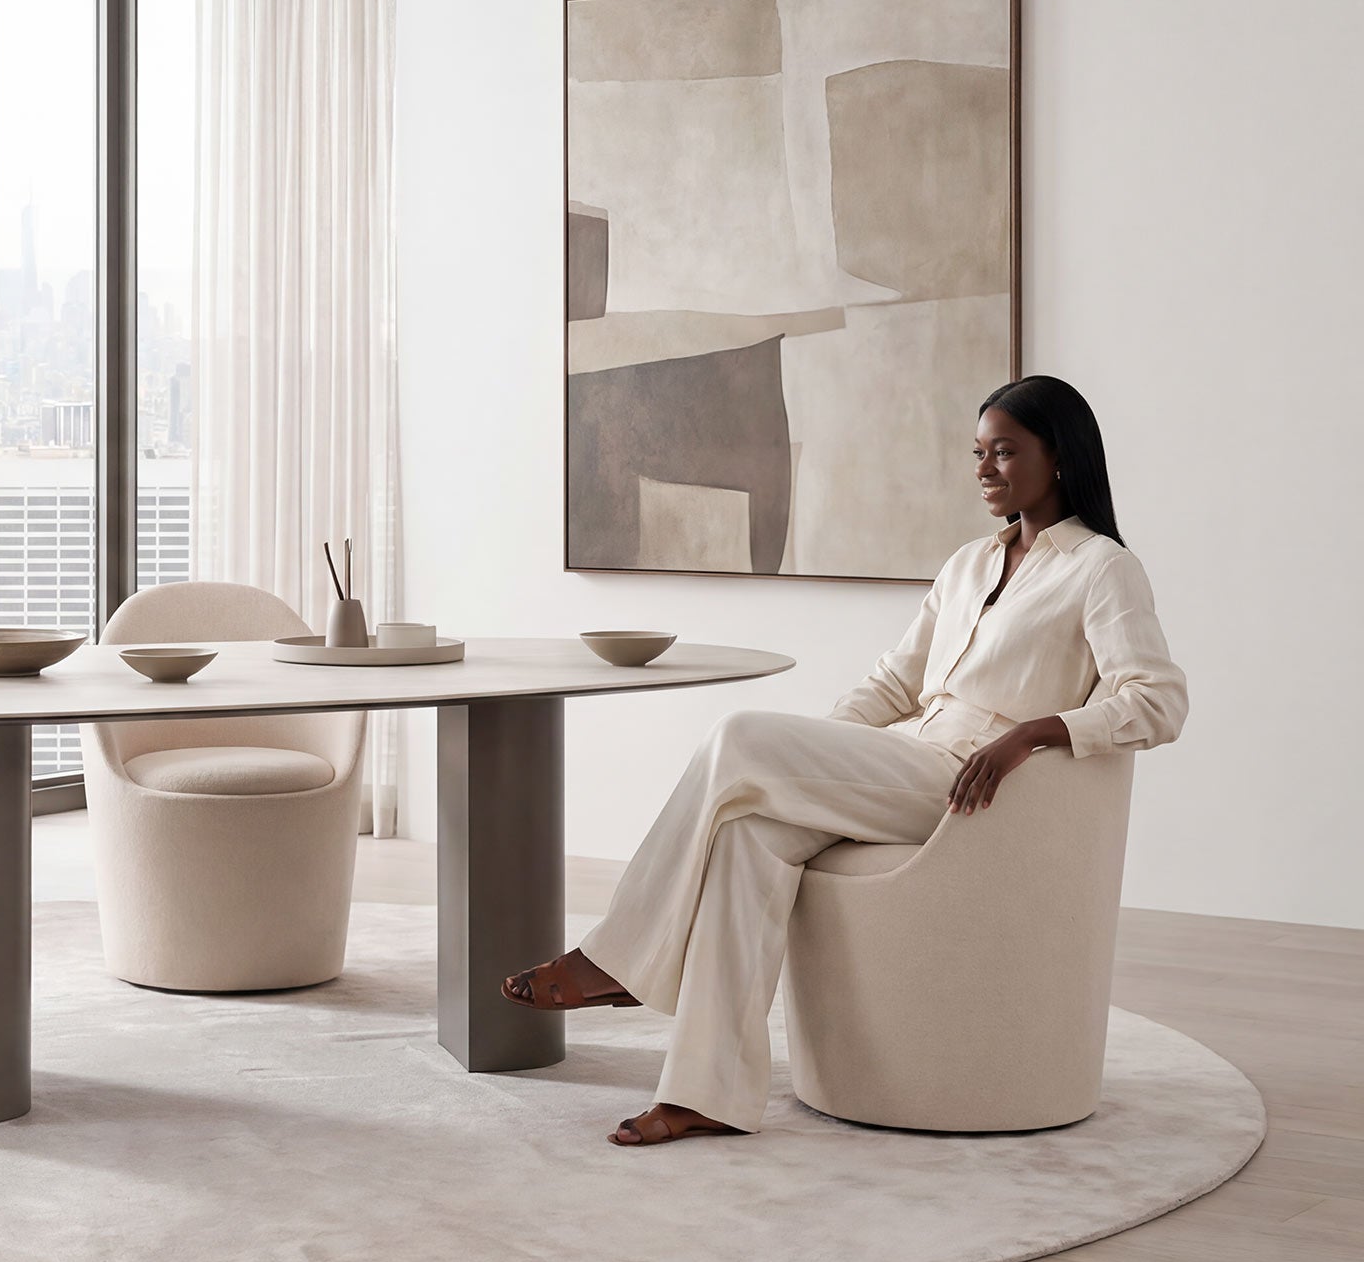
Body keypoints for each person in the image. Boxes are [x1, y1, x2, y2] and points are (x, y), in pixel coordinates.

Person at [503, 375, 1187, 1146]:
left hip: (975, 787)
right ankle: (705, 1093)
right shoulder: (968, 564)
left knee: (739, 733)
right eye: (978, 453)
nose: (985, 469)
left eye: (1005, 451)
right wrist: (818, 753)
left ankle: (616, 959)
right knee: (747, 834)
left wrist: (1030, 734)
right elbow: (895, 682)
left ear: (1059, 457)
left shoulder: (1101, 568)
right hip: (907, 759)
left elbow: (1158, 700)